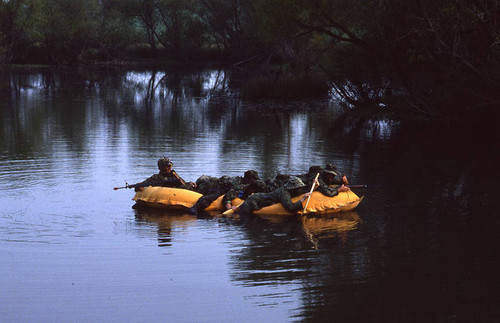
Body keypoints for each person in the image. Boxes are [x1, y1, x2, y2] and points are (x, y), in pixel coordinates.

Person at [238, 176, 312, 215]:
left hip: (260, 198)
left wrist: (314, 187)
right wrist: (303, 199)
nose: (301, 190)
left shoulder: (289, 191)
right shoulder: (284, 193)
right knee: (245, 216)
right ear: (294, 188)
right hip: (254, 200)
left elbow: (301, 192)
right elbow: (291, 208)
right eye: (299, 188)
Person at [131, 157, 196, 192]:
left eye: (170, 165)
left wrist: (189, 183)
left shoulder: (173, 175)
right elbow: (142, 184)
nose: (169, 167)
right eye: (167, 166)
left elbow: (183, 183)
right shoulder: (156, 177)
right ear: (161, 167)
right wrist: (139, 186)